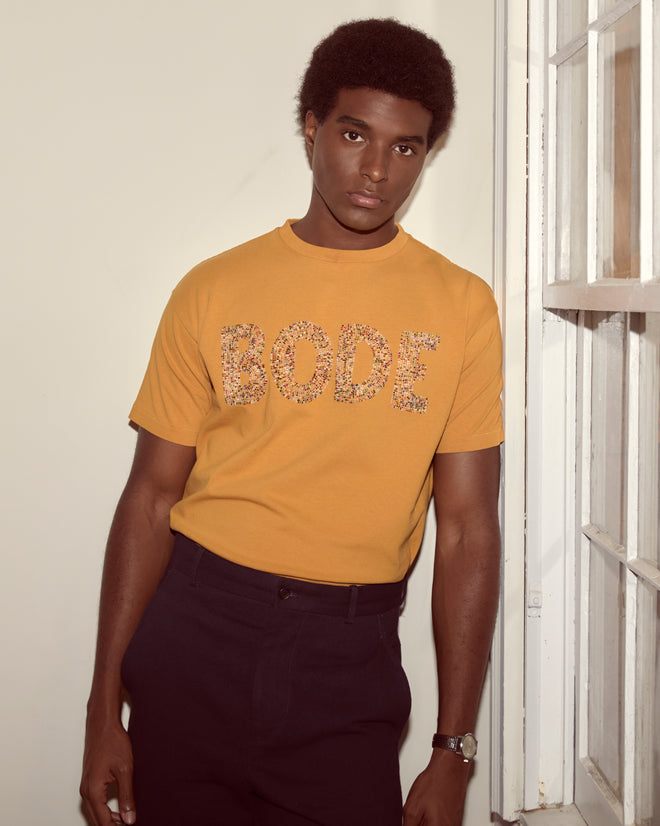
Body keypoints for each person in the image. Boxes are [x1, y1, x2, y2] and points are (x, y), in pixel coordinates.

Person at [80, 17, 503, 826]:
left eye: (406, 147)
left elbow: (466, 530)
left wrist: (455, 750)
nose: (376, 170)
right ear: (311, 128)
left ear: (427, 153)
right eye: (353, 134)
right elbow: (150, 500)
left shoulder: (461, 307)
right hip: (196, 632)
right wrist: (104, 710)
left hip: (348, 661)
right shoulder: (213, 288)